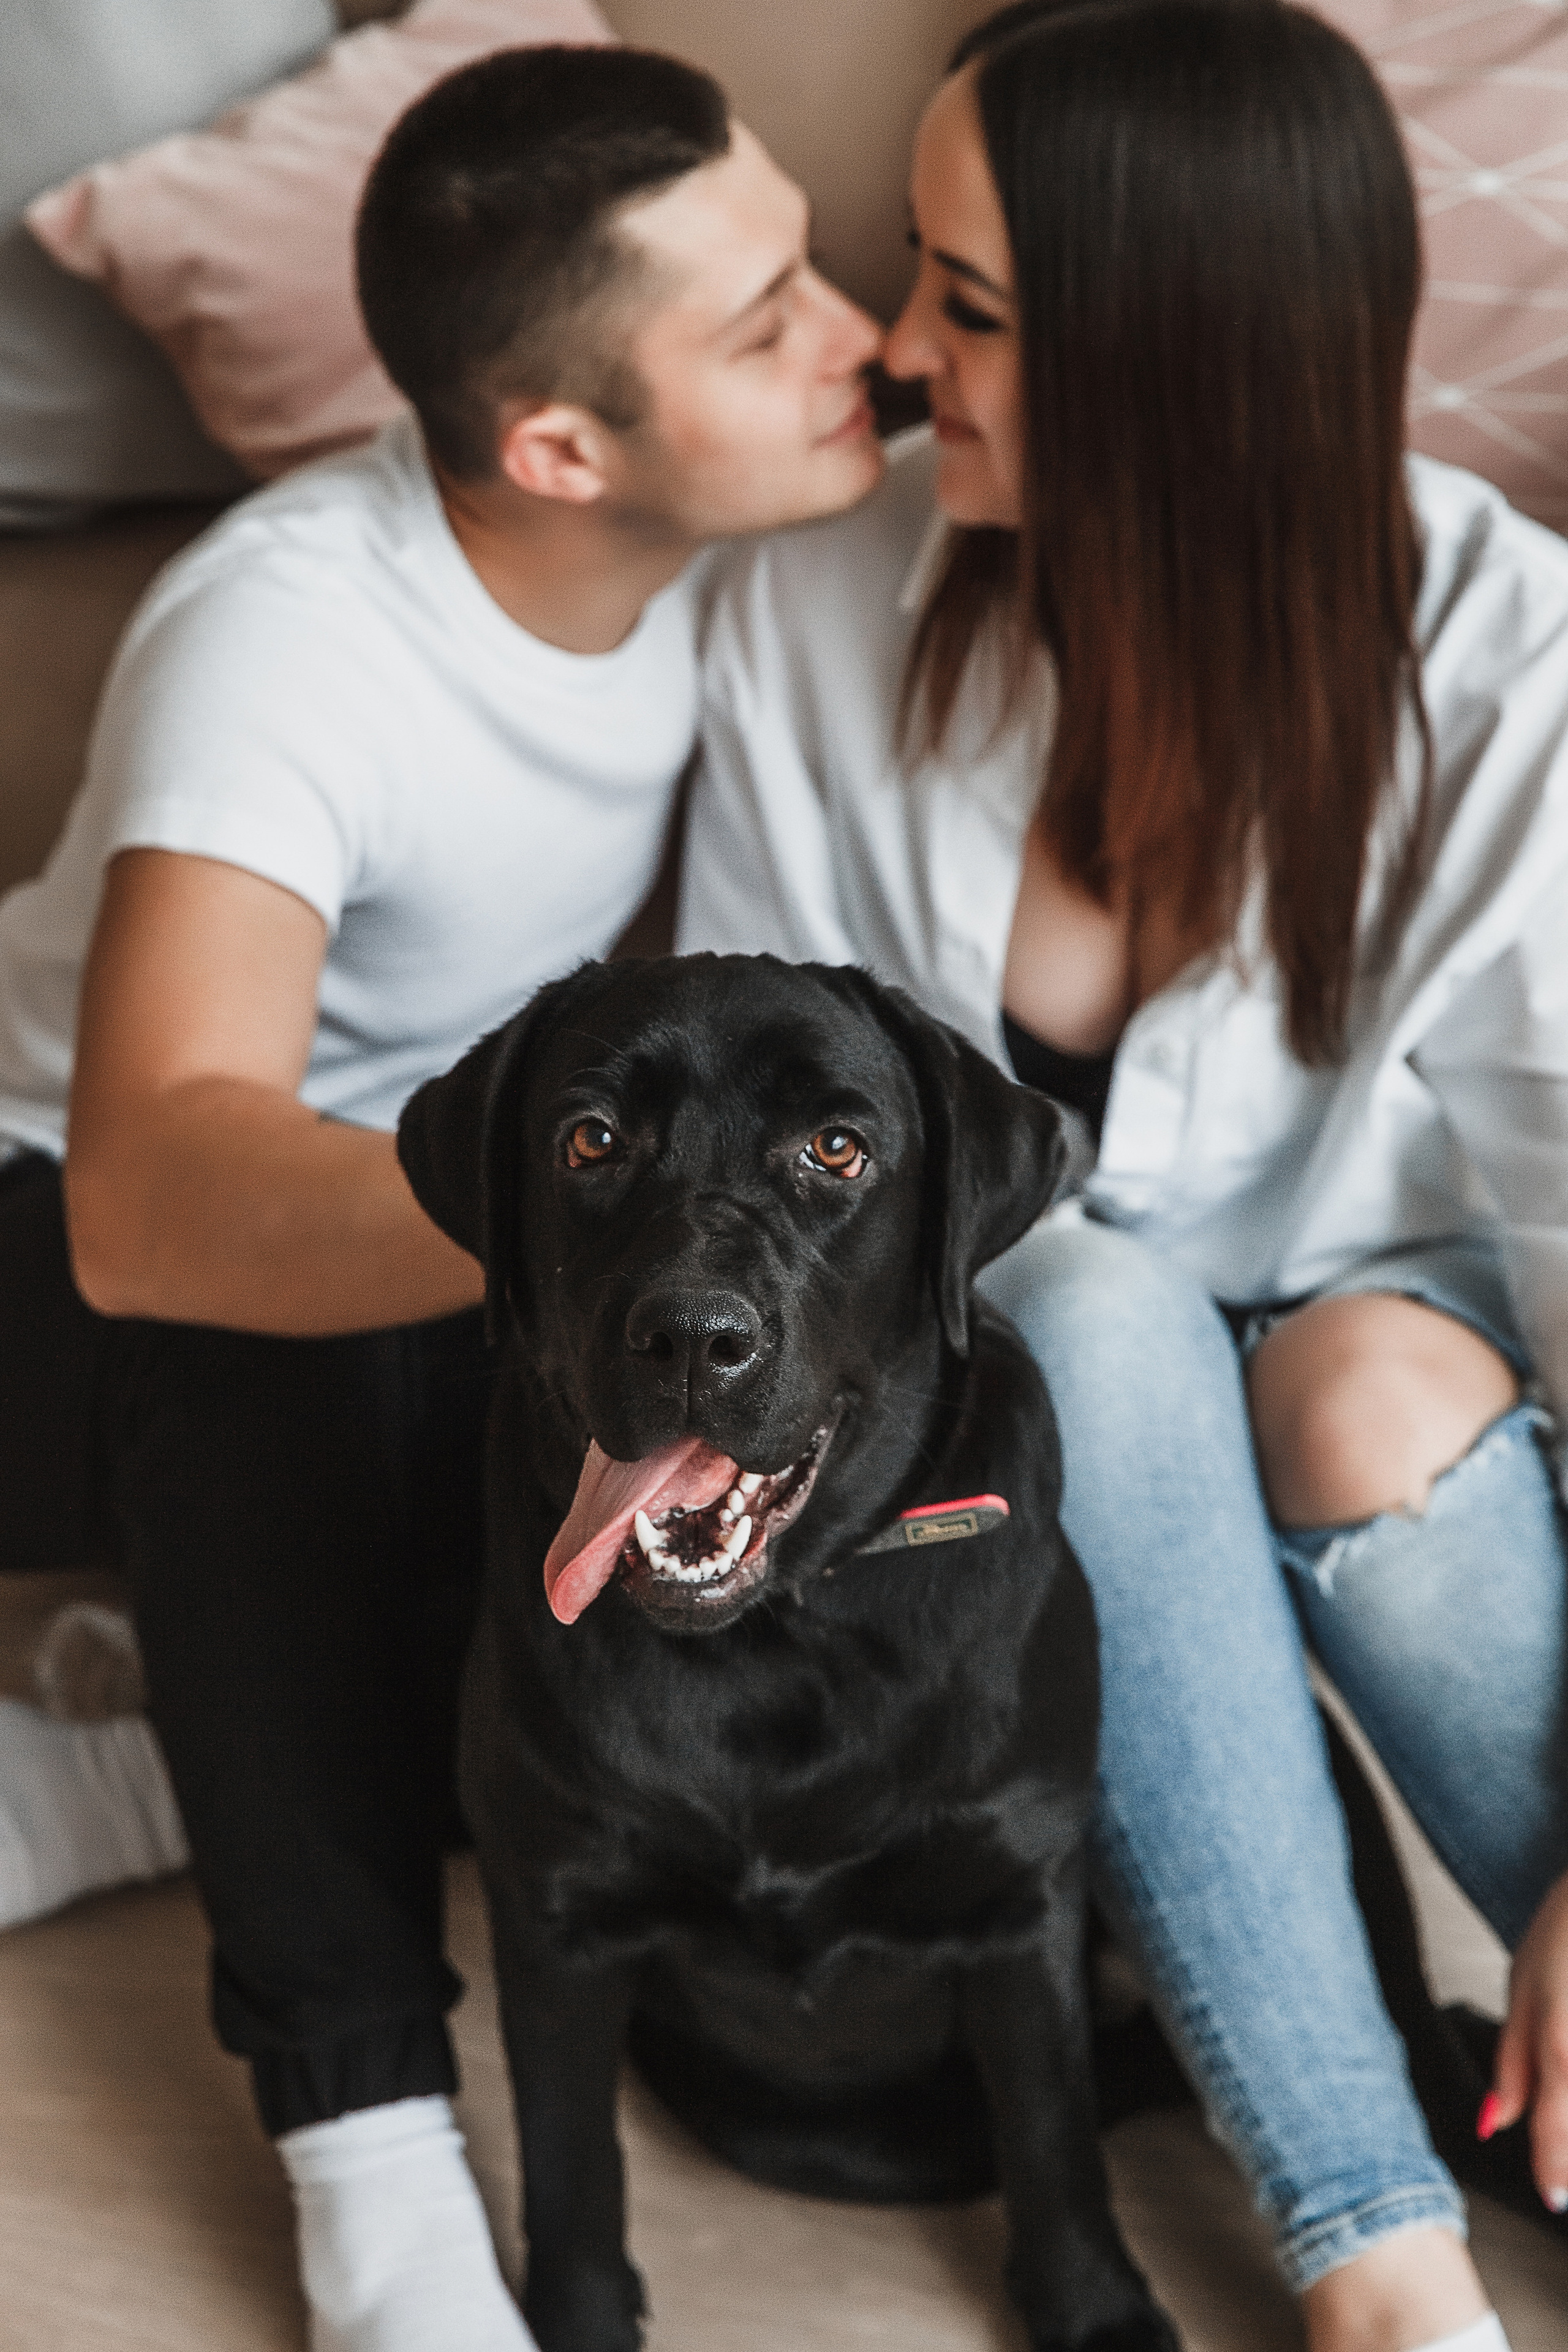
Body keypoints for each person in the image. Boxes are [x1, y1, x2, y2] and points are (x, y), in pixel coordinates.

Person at [678, 4, 1568, 2349]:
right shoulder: (811, 607)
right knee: (1081, 1304)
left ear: (1180, 355)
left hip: (1407, 1383)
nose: (891, 352)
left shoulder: (1518, 675)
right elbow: (780, 1171)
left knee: (1360, 1388)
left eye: (966, 305)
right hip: (1019, 1423)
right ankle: (1381, 2259)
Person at [0, 42, 881, 2352]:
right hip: (54, 1228)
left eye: (816, 267)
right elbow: (151, 1190)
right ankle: (370, 2146)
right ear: (562, 448)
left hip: (420, 1230)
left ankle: (142, 1777)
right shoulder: (288, 637)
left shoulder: (741, 551)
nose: (860, 336)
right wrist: (601, 1243)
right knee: (274, 1344)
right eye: (770, 318)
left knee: (644, 1485)